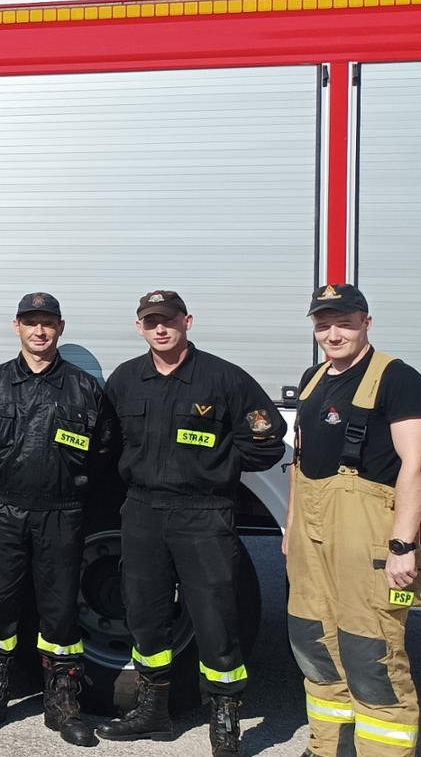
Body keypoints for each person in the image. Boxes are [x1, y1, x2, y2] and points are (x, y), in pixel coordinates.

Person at [96, 290, 285, 756]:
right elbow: (106, 440)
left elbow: (267, 441)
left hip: (204, 514)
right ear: (139, 327)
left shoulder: (223, 378)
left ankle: (225, 720)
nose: (161, 329)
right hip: (142, 511)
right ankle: (152, 711)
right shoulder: (126, 379)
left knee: (215, 618)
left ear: (187, 322)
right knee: (144, 614)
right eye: (151, 322)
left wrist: (218, 466)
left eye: (169, 320)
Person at [0, 293, 117, 746]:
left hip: (62, 511)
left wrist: (71, 484)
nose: (39, 331)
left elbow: (102, 450)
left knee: (61, 608)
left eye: (47, 322)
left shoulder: (84, 388)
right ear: (16, 327)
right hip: (5, 509)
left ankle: (63, 702)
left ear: (60, 328)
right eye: (31, 322)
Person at [286, 284, 421, 757]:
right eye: (323, 324)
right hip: (311, 533)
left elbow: (418, 466)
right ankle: (326, 748)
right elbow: (301, 462)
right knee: (315, 642)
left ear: (366, 323)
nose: (333, 334)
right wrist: (291, 527)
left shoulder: (398, 378)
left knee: (372, 653)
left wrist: (403, 546)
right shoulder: (313, 378)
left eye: (344, 323)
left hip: (367, 533)